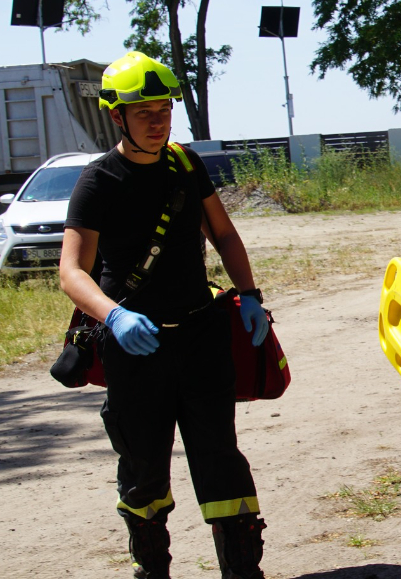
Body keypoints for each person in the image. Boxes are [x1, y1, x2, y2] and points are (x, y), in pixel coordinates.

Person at [59, 51, 271, 579]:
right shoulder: (98, 180)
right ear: (117, 117)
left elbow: (223, 234)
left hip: (201, 337)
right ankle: (152, 570)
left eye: (164, 110)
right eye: (144, 113)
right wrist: (114, 318)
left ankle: (243, 571)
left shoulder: (185, 164)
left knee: (220, 457)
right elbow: (72, 272)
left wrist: (249, 295)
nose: (158, 122)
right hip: (136, 347)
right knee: (143, 466)